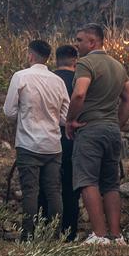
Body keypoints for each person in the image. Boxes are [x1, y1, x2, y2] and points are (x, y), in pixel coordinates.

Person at [64, 22, 129, 244]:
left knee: (87, 181)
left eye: (80, 40)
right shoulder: (118, 65)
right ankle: (116, 235)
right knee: (111, 184)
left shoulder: (86, 63)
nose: (76, 44)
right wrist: (117, 123)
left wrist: (70, 120)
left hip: (90, 129)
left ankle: (99, 235)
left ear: (93, 41)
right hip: (112, 130)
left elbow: (79, 95)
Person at [1, 39, 70, 241]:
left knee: (30, 191)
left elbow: (9, 111)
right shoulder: (58, 81)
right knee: (53, 191)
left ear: (30, 55)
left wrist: (26, 113)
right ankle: (55, 235)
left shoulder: (21, 77)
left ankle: (28, 236)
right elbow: (65, 118)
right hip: (53, 145)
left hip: (28, 143)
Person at [49, 44, 81, 240]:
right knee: (71, 187)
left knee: (48, 185)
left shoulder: (48, 79)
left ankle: (44, 228)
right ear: (75, 61)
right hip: (73, 138)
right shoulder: (81, 81)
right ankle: (70, 233)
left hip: (48, 137)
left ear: (56, 60)